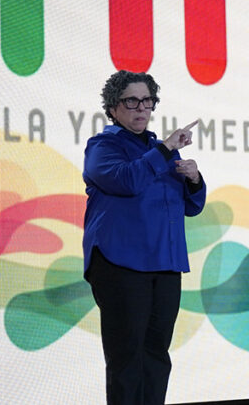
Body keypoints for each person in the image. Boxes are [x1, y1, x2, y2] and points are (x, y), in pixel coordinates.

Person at [82, 70, 206, 404]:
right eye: (131, 101)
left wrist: (194, 179)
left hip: (164, 263)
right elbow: (126, 181)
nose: (141, 108)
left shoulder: (161, 150)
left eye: (147, 101)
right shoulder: (102, 146)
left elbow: (191, 207)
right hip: (120, 261)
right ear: (113, 108)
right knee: (126, 358)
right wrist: (166, 148)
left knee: (156, 355)